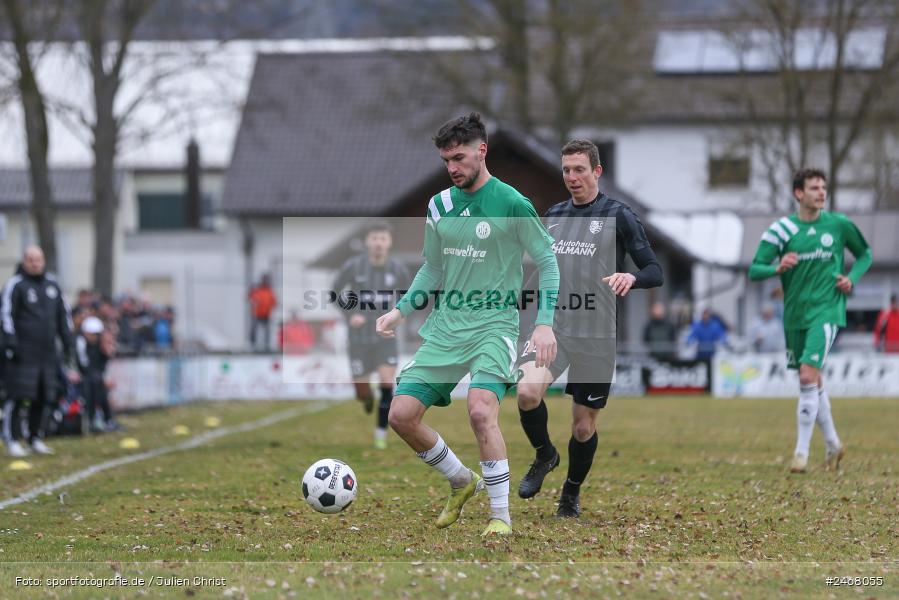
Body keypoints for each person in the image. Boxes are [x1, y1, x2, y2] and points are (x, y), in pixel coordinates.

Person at [375, 113, 560, 536]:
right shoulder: (438, 205)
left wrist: (544, 323)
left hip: (494, 327)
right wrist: (400, 309)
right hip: (446, 329)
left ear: (482, 151)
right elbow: (432, 268)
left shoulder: (513, 204)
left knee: (480, 411)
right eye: (446, 161)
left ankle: (500, 516)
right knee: (401, 415)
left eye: (458, 158)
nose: (452, 168)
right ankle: (460, 480)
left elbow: (548, 263)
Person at [515, 139, 663, 518]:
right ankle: (544, 454)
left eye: (579, 169)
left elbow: (655, 271)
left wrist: (631, 277)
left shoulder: (620, 215)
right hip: (556, 328)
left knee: (583, 429)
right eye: (566, 170)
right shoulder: (555, 215)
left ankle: (571, 492)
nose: (571, 177)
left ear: (597, 171)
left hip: (597, 336)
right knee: (528, 392)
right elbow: (541, 270)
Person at [749, 168, 872, 473]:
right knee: (812, 380)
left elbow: (865, 254)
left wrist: (851, 278)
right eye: (814, 188)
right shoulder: (781, 230)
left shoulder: (839, 224)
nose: (821, 193)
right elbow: (755, 269)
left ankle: (800, 455)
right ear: (798, 194)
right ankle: (833, 444)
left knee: (806, 376)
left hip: (827, 310)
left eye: (823, 188)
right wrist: (777, 268)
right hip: (794, 315)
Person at [332, 221, 410, 448]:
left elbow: (409, 297)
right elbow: (334, 293)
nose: (378, 243)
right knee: (362, 392)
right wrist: (349, 315)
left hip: (385, 338)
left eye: (383, 239)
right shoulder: (353, 267)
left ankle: (380, 435)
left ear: (389, 242)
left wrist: (400, 315)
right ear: (367, 241)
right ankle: (366, 398)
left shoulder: (398, 270)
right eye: (374, 238)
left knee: (387, 382)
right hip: (358, 339)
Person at [1, 246, 78, 457]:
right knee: (18, 396)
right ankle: (12, 439)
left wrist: (68, 341)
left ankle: (35, 438)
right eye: (30, 259)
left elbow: (64, 316)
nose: (34, 263)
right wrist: (11, 343)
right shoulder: (15, 285)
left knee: (44, 398)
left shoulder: (53, 285)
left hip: (48, 354)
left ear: (43, 261)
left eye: (38, 259)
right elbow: (6, 315)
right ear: (24, 261)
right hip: (23, 352)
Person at [76, 316, 121, 432]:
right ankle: (93, 420)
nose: (95, 338)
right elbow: (83, 365)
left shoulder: (98, 346)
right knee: (94, 383)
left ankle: (107, 420)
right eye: (93, 334)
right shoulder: (80, 342)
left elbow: (101, 366)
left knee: (99, 384)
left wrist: (107, 352)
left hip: (94, 378)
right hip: (81, 378)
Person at [248, 274, 277, 351]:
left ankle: (266, 344)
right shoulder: (256, 289)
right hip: (257, 313)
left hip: (266, 314)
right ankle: (252, 344)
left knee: (267, 330)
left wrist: (270, 307)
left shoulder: (269, 291)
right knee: (254, 328)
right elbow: (250, 298)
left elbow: (273, 301)